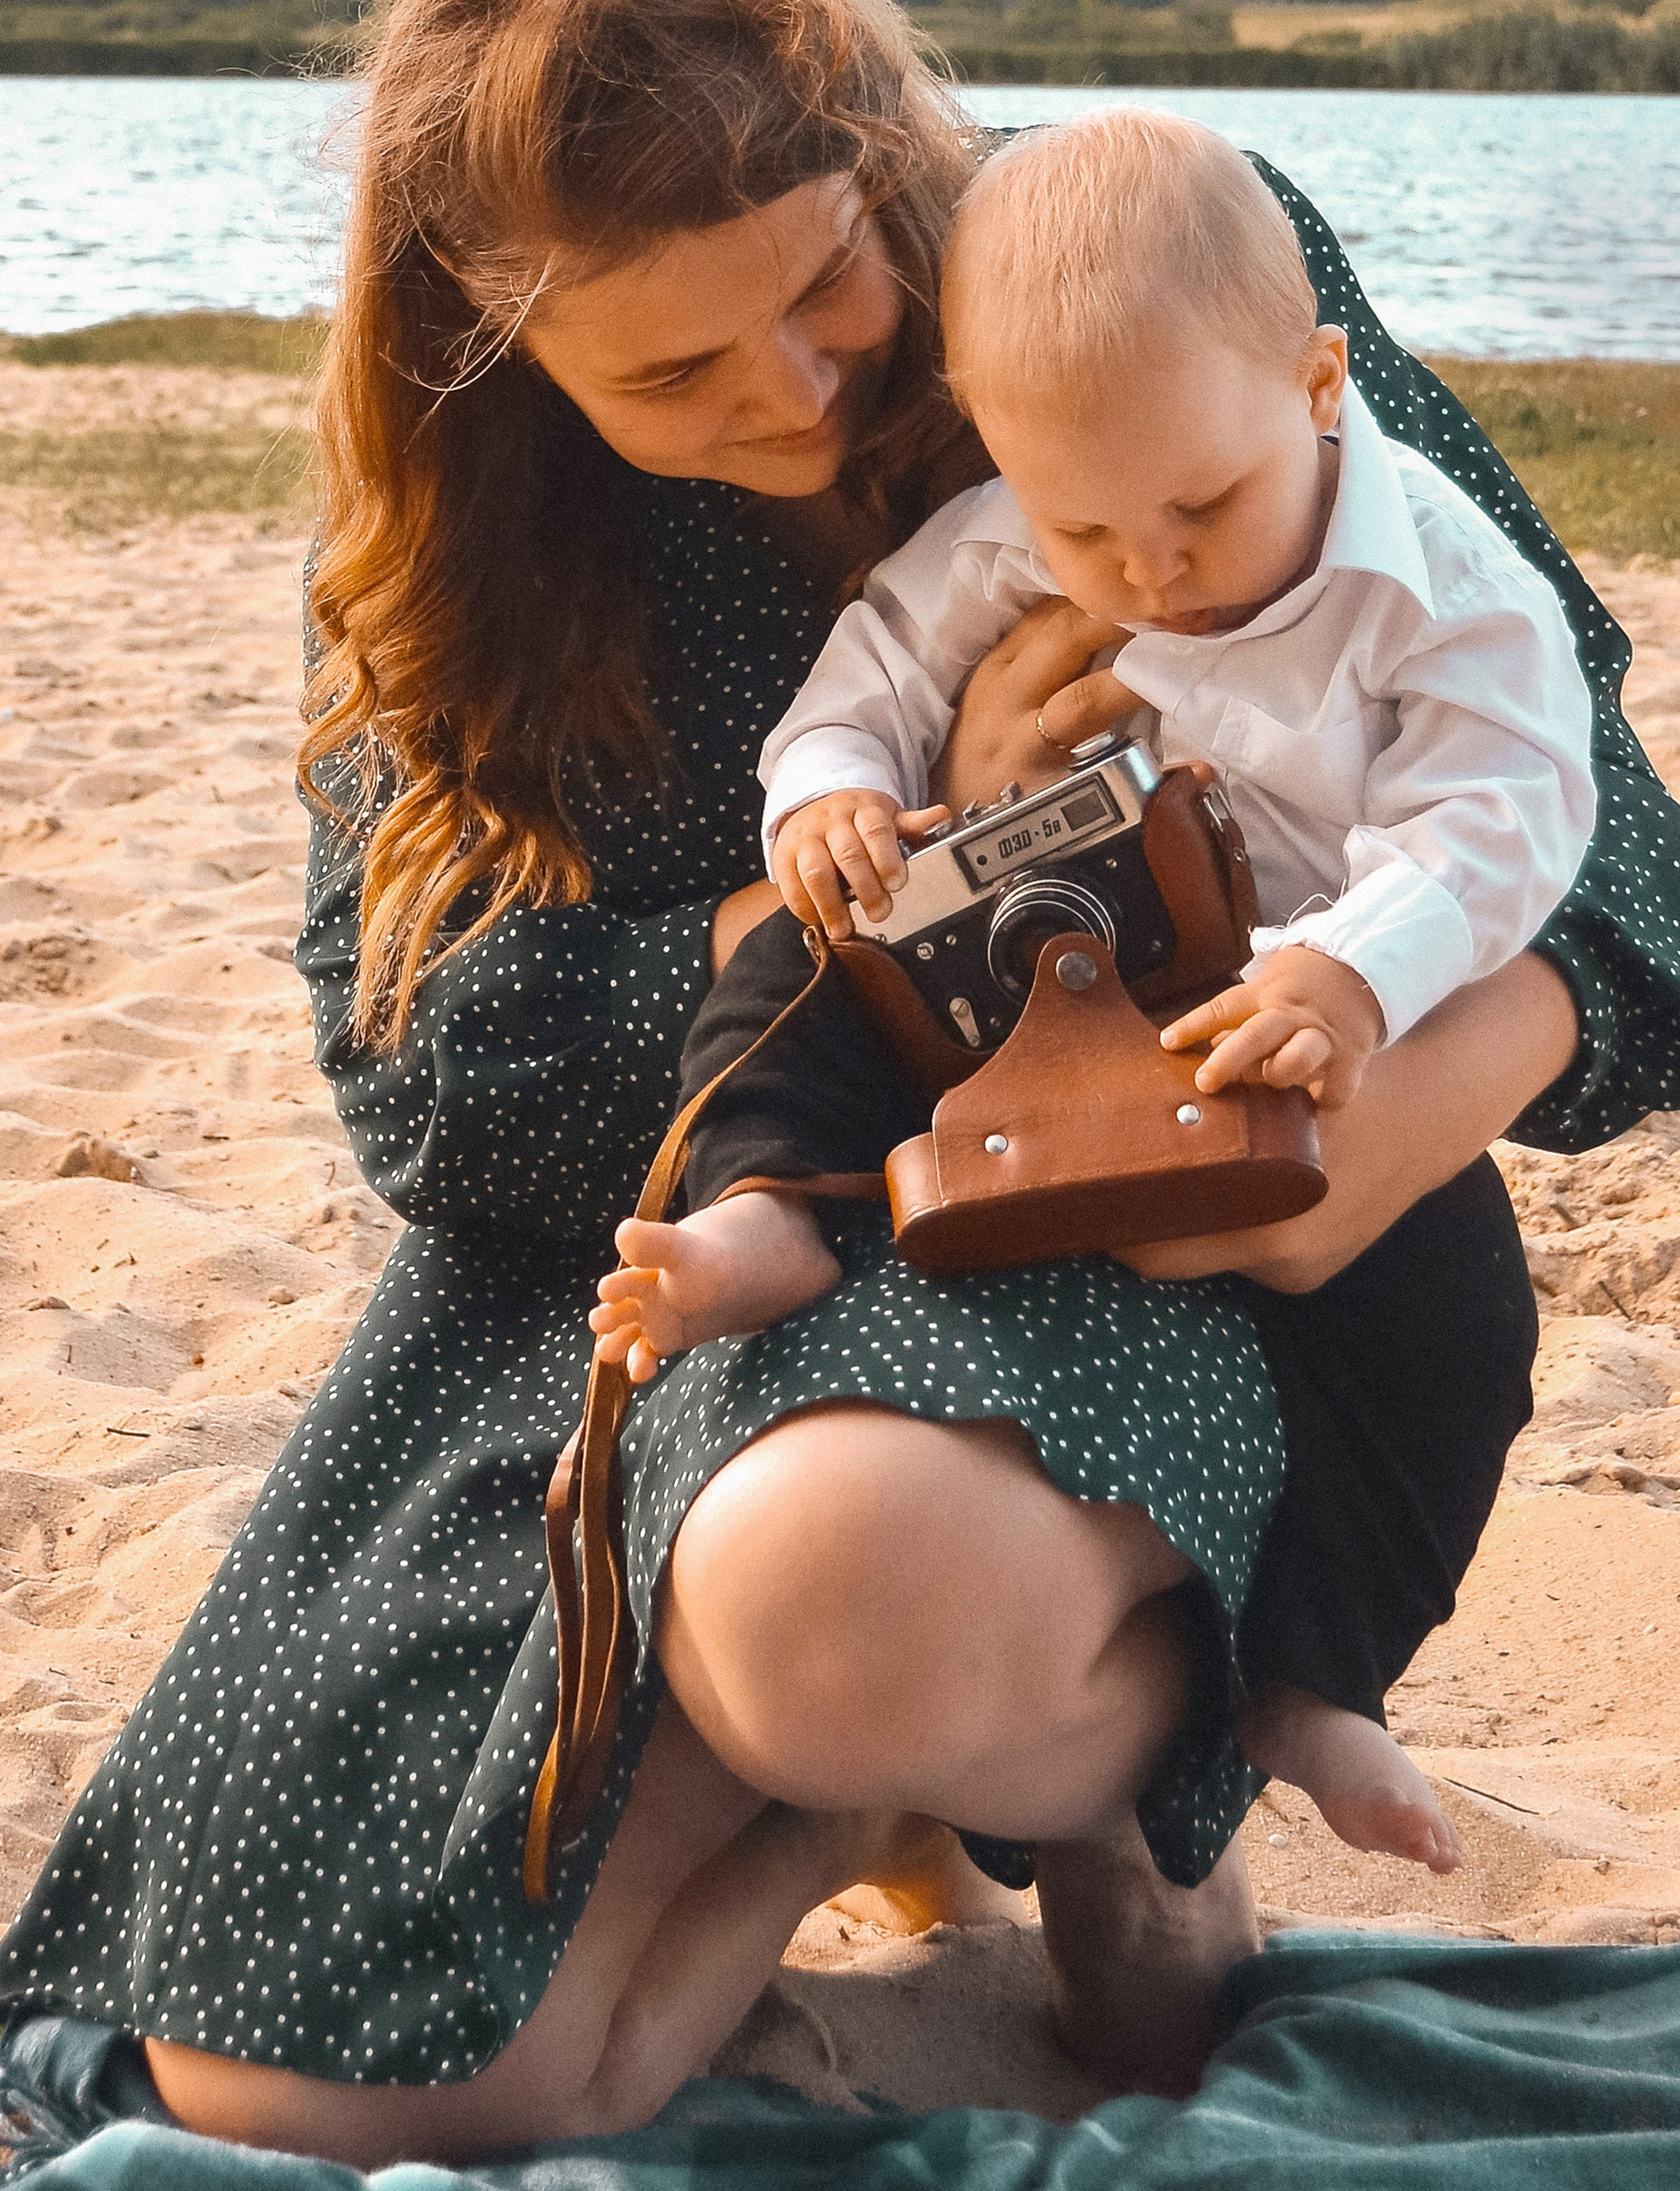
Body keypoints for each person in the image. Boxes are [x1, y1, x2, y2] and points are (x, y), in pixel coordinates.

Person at [0, 0, 1680, 2160]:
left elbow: (1638, 854)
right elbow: (427, 1075)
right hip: (703, 1231)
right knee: (330, 2090)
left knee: (847, 1608)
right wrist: (922, 875)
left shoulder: (1148, 261)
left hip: (1101, 1219)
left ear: (875, 153)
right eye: (672, 375)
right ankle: (850, 1823)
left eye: (824, 284)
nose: (797, 392)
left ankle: (1130, 1792)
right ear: (511, 360)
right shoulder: (466, 532)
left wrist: (1439, 1083)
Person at [593, 107, 1597, 1869]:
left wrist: (1351, 978)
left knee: (1453, 1323)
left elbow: (1513, 814)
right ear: (1000, 453)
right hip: (1020, 956)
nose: (1145, 568)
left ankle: (1316, 1677)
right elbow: (869, 673)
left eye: (1197, 508)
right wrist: (826, 789)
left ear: (1310, 381)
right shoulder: (1010, 529)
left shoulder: (1438, 578)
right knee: (778, 973)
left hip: (1285, 1007)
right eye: (1084, 526)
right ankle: (758, 1215)